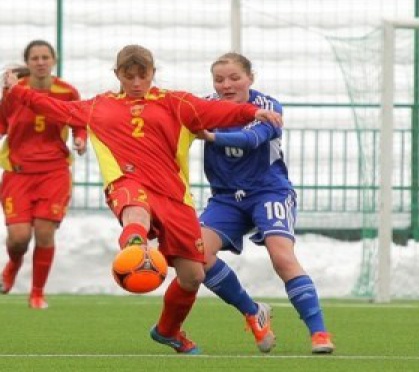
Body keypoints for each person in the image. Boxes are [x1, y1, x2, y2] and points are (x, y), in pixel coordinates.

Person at [2, 44, 282, 355]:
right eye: (128, 75)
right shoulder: (99, 106)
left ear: (153, 73)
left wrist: (253, 111)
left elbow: (220, 110)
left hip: (174, 197)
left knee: (193, 276)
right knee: (135, 211)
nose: (136, 82)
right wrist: (17, 92)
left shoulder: (177, 103)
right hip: (128, 183)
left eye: (142, 75)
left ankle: (168, 331)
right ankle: (136, 250)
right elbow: (55, 108)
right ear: (117, 74)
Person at [195, 52, 334, 354]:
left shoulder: (268, 107)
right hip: (226, 198)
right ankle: (253, 311)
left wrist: (210, 136)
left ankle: (319, 333)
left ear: (250, 78)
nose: (226, 85)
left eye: (234, 78)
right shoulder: (203, 106)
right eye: (219, 79)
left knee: (281, 257)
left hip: (268, 192)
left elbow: (251, 139)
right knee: (198, 257)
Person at [0, 40, 87, 309]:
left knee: (44, 232)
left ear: (54, 60)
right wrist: (6, 91)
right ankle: (12, 266)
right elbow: (2, 123)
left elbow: (79, 122)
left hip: (54, 173)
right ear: (27, 62)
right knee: (18, 237)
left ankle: (37, 293)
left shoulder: (67, 92)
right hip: (18, 173)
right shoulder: (14, 91)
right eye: (35, 58)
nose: (40, 62)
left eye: (45, 57)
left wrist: (81, 139)